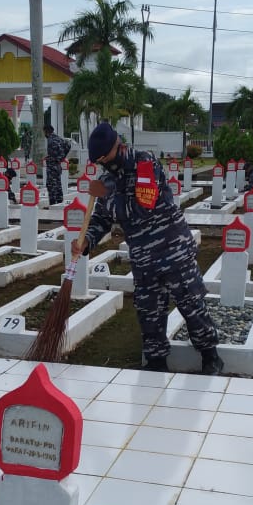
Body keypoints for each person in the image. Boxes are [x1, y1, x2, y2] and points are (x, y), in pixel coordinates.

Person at [71, 121, 224, 375]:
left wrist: (107, 198)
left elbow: (143, 208)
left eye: (105, 157)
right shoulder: (106, 179)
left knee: (190, 303)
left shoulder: (145, 163)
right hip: (143, 258)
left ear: (117, 146)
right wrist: (87, 240)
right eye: (98, 161)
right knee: (149, 312)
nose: (103, 164)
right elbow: (100, 219)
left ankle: (210, 356)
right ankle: (156, 362)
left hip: (172, 249)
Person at [43, 124, 71, 205]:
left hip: (52, 166)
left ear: (46, 131)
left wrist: (52, 158)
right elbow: (68, 144)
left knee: (51, 185)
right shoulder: (59, 138)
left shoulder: (50, 140)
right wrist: (62, 157)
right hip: (58, 165)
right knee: (58, 184)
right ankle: (59, 202)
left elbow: (52, 154)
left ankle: (52, 203)